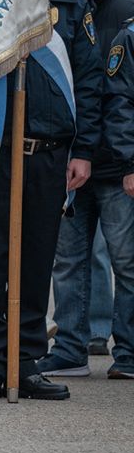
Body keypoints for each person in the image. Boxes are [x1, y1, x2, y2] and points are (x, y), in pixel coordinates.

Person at [0, 0, 104, 403]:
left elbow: (87, 84)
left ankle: (26, 359)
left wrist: (82, 150)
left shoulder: (64, 1)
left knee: (38, 258)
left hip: (49, 153)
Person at [43, 0, 134, 376]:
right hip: (72, 161)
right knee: (70, 262)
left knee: (127, 263)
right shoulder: (62, 11)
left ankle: (129, 352)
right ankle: (70, 348)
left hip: (119, 166)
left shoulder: (128, 11)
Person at [98, 20, 134, 379]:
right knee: (126, 263)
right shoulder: (130, 36)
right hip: (125, 166)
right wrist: (130, 162)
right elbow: (121, 104)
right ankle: (128, 352)